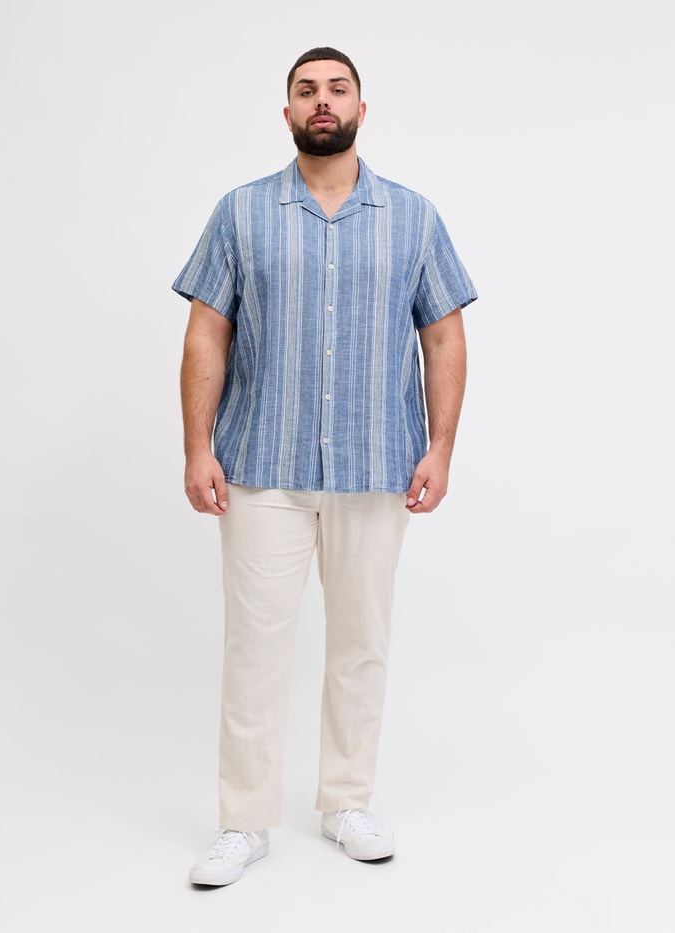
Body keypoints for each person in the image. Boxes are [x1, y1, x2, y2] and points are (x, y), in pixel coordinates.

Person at [172, 46, 477, 886]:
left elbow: (444, 334)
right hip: (260, 465)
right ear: (288, 113)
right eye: (306, 90)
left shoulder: (413, 216)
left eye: (337, 88)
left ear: (360, 110)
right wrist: (197, 446)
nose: (322, 100)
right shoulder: (240, 212)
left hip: (377, 463)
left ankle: (346, 800)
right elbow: (207, 333)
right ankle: (243, 821)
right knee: (255, 647)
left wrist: (440, 446)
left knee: (361, 642)